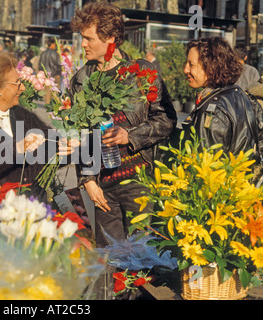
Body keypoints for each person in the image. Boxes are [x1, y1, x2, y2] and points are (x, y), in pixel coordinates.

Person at [69, 1, 177, 248]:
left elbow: (166, 120)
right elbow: (81, 135)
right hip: (102, 186)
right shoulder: (80, 80)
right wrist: (88, 180)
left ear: (111, 39)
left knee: (144, 259)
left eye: (88, 38)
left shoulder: (142, 73)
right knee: (110, 260)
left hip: (139, 182)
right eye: (81, 37)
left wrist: (130, 135)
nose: (82, 44)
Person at [0, 51, 74, 200]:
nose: (23, 88)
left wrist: (66, 147)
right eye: (17, 83)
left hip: (34, 208)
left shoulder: (22, 115)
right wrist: (16, 149)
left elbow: (51, 145)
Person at [182, 37, 263, 158]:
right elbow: (261, 145)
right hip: (242, 175)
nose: (185, 69)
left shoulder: (214, 110)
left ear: (211, 66)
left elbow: (205, 164)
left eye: (191, 65)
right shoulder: (243, 95)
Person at [39, 38, 62, 103]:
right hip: (55, 74)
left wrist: (43, 73)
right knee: (56, 90)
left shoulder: (43, 53)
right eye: (55, 44)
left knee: (47, 90)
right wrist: (58, 72)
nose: (55, 46)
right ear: (52, 44)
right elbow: (59, 64)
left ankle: (47, 104)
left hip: (46, 75)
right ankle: (55, 104)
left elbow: (40, 65)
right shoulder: (55, 54)